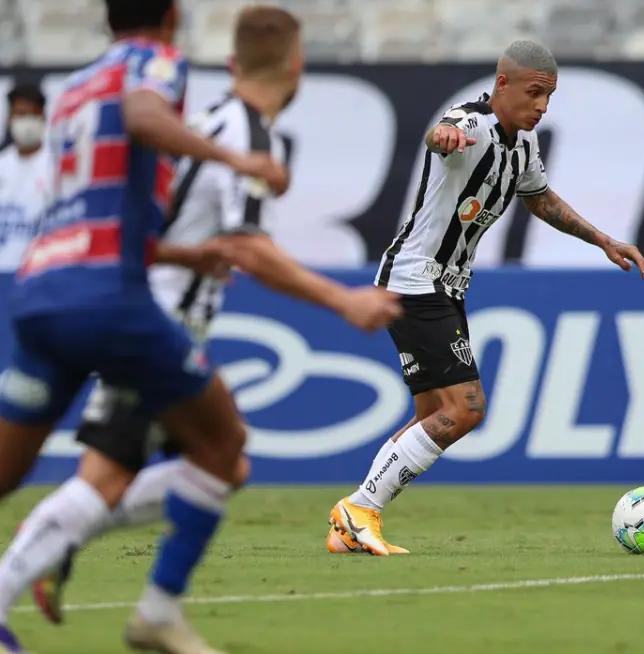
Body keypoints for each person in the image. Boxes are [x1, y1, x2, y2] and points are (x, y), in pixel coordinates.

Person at [2, 4, 402, 634]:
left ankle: (75, 546)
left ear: (233, 62)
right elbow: (247, 248)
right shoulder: (224, 123)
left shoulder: (182, 113)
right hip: (141, 314)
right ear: (297, 64)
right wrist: (343, 299)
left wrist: (196, 250)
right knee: (152, 467)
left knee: (215, 459)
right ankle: (70, 553)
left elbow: (150, 225)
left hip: (62, 285)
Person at [326, 40, 644, 556]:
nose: (543, 106)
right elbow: (441, 133)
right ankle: (359, 508)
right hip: (418, 281)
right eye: (535, 93)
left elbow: (541, 199)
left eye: (550, 96)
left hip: (443, 287)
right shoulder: (471, 123)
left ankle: (355, 523)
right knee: (468, 407)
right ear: (503, 84)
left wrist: (605, 241)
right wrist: (444, 135)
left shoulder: (523, 146)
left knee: (435, 411)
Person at [0, 82, 51, 271]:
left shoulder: (56, 166)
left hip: (38, 273)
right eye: (20, 115)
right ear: (9, 119)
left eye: (31, 115)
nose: (26, 122)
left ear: (43, 117)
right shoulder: (2, 165)